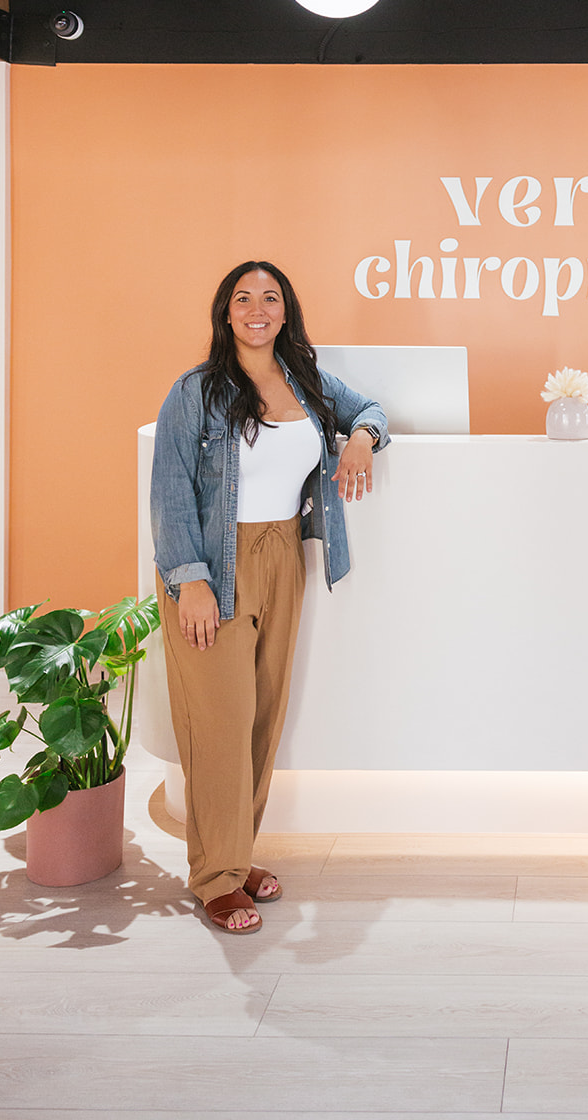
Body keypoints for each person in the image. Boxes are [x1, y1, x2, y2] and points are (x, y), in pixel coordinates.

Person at [151, 260, 388, 934]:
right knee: (219, 725)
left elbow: (368, 411)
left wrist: (363, 440)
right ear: (226, 312)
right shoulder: (195, 391)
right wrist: (189, 579)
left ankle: (234, 855)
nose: (258, 308)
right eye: (243, 298)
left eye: (271, 297)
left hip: (285, 556)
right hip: (213, 565)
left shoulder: (305, 379)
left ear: (286, 311)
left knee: (260, 717)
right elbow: (168, 490)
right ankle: (215, 879)